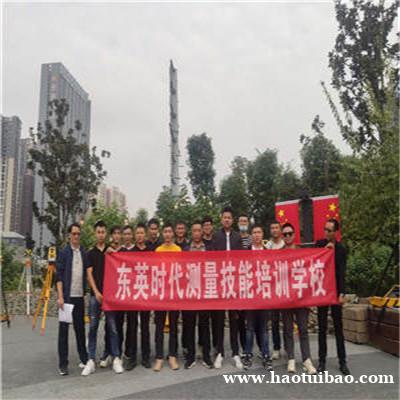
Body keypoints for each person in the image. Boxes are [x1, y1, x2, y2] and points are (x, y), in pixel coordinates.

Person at [281, 222, 316, 374]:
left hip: (301, 297)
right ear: (282, 236)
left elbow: (311, 270)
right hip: (286, 298)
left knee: (303, 329)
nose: (288, 236)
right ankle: (291, 359)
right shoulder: (278, 254)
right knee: (288, 329)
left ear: (294, 235)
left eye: (290, 233)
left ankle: (307, 359)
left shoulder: (303, 252)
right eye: (285, 234)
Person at [316, 219, 350, 375]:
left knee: (338, 327)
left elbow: (342, 272)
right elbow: (313, 263)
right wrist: (325, 251)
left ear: (336, 232)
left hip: (335, 292)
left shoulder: (341, 249)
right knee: (322, 327)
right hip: (322, 290)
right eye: (325, 229)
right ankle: (321, 361)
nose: (326, 233)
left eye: (329, 230)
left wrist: (342, 293)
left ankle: (342, 361)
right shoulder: (319, 244)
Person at [212, 206, 244, 370]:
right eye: (224, 217)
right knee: (219, 319)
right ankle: (219, 352)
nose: (227, 220)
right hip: (219, 282)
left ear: (232, 220)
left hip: (233, 283)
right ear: (221, 219)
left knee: (234, 319)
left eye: (229, 218)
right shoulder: (215, 236)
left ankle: (236, 353)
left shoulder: (238, 237)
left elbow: (243, 259)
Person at [56, 223, 89, 376]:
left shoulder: (83, 252)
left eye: (78, 234)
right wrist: (60, 297)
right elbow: (59, 276)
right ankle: (63, 364)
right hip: (67, 299)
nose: (76, 236)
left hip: (79, 297)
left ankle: (84, 358)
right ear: (69, 235)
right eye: (74, 233)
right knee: (63, 332)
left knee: (80, 330)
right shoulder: (64, 253)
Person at [181, 220, 214, 369]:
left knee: (204, 325)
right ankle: (190, 357)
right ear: (191, 232)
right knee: (189, 325)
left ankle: (206, 356)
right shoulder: (185, 249)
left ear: (202, 232)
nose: (196, 233)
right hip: (190, 292)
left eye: (199, 230)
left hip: (205, 291)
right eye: (194, 230)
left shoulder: (209, 248)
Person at [242, 224, 272, 371]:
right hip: (250, 296)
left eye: (259, 232)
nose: (256, 235)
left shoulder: (268, 253)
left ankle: (266, 355)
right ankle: (248, 355)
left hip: (264, 296)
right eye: (254, 232)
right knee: (249, 328)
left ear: (263, 234)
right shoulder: (245, 253)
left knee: (264, 329)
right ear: (251, 235)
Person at [82, 221, 111, 376]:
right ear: (95, 233)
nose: (100, 234)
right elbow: (89, 274)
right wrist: (96, 292)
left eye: (103, 232)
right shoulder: (90, 253)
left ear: (106, 233)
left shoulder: (110, 252)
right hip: (95, 296)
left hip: (110, 297)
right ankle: (91, 359)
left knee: (110, 327)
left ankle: (107, 354)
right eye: (98, 232)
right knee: (93, 327)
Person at [153, 223, 182, 372]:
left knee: (173, 326)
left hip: (174, 293)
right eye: (165, 231)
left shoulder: (178, 250)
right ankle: (159, 357)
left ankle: (172, 356)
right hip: (161, 294)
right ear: (162, 234)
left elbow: (181, 270)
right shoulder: (158, 250)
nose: (168, 234)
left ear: (173, 234)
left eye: (170, 231)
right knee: (159, 326)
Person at [131, 223, 151, 368]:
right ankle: (132, 358)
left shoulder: (151, 251)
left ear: (145, 235)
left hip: (146, 294)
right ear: (135, 235)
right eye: (137, 233)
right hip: (133, 294)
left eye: (142, 233)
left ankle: (145, 357)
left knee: (145, 326)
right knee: (132, 327)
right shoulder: (130, 252)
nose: (139, 235)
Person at [118, 225, 138, 371]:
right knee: (119, 325)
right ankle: (118, 354)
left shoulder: (137, 251)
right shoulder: (118, 252)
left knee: (132, 326)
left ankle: (131, 356)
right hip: (120, 294)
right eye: (124, 234)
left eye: (129, 234)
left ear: (132, 236)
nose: (127, 236)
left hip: (134, 295)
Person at [265, 220, 284, 360]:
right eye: (272, 228)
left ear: (280, 230)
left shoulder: (286, 245)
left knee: (288, 320)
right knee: (275, 320)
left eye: (277, 227)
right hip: (272, 288)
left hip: (285, 286)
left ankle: (289, 347)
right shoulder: (267, 247)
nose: (274, 230)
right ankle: (276, 348)